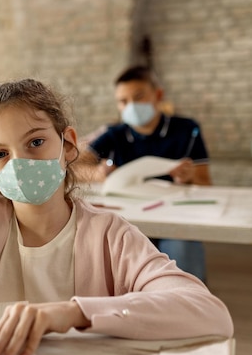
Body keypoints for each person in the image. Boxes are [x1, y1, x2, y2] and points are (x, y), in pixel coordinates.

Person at [0, 79, 233, 355]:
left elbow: (207, 312)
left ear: (68, 144)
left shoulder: (109, 233)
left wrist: (70, 312)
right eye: (1, 154)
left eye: (35, 143)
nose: (21, 163)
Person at [79, 66, 210, 281]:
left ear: (158, 95)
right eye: (123, 101)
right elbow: (72, 166)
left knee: (182, 251)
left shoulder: (187, 130)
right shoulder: (115, 134)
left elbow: (206, 183)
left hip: (173, 218)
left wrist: (189, 179)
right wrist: (97, 173)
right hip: (130, 218)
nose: (131, 106)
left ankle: (188, 304)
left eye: (138, 97)